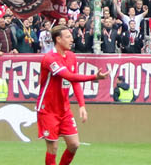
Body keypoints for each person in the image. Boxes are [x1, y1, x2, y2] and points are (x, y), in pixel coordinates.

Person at [39, 25, 110, 165]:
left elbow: (74, 82)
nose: (72, 39)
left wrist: (82, 105)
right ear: (58, 39)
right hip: (48, 109)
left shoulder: (71, 56)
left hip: (64, 109)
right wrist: (94, 77)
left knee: (74, 144)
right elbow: (69, 76)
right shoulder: (49, 58)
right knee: (53, 147)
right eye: (68, 37)